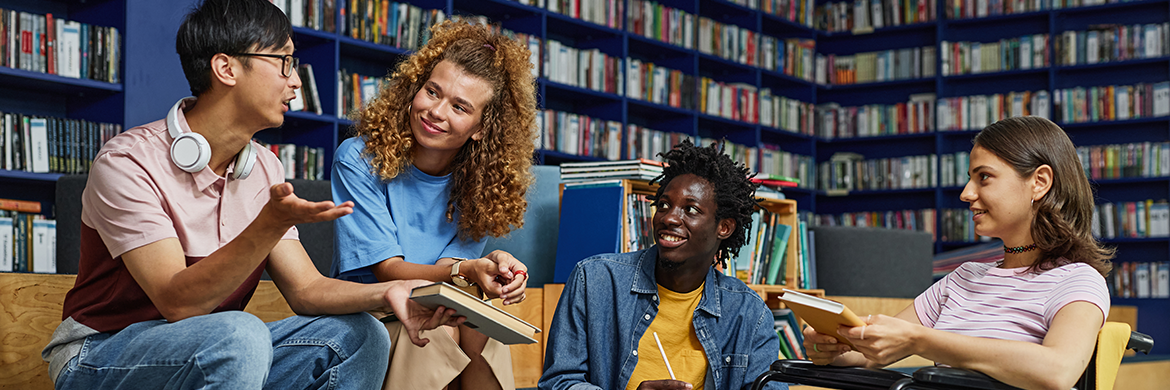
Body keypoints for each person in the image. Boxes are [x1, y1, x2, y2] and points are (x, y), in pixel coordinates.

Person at [41, 0, 463, 388]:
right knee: (239, 333)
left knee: (359, 334)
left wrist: (388, 293)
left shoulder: (263, 166)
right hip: (98, 356)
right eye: (283, 62)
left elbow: (307, 290)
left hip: (216, 349)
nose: (296, 81)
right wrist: (268, 225)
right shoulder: (127, 162)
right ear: (226, 69)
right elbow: (177, 302)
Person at [803, 116, 1113, 390]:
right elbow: (871, 354)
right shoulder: (963, 279)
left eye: (984, 177)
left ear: (1039, 182)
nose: (966, 193)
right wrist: (834, 348)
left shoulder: (1077, 281)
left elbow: (1058, 371)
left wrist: (920, 340)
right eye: (970, 178)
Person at [330, 19, 538, 390]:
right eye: (432, 91)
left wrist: (487, 267)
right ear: (415, 88)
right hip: (369, 310)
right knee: (438, 336)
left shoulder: (482, 183)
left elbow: (449, 267)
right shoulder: (359, 159)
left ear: (480, 128)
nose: (436, 112)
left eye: (459, 106)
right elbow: (387, 270)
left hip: (437, 303)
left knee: (482, 331)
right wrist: (468, 271)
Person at [538, 140, 785, 390]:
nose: (669, 217)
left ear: (724, 227)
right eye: (664, 205)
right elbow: (558, 382)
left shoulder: (749, 313)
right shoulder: (594, 281)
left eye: (690, 209)